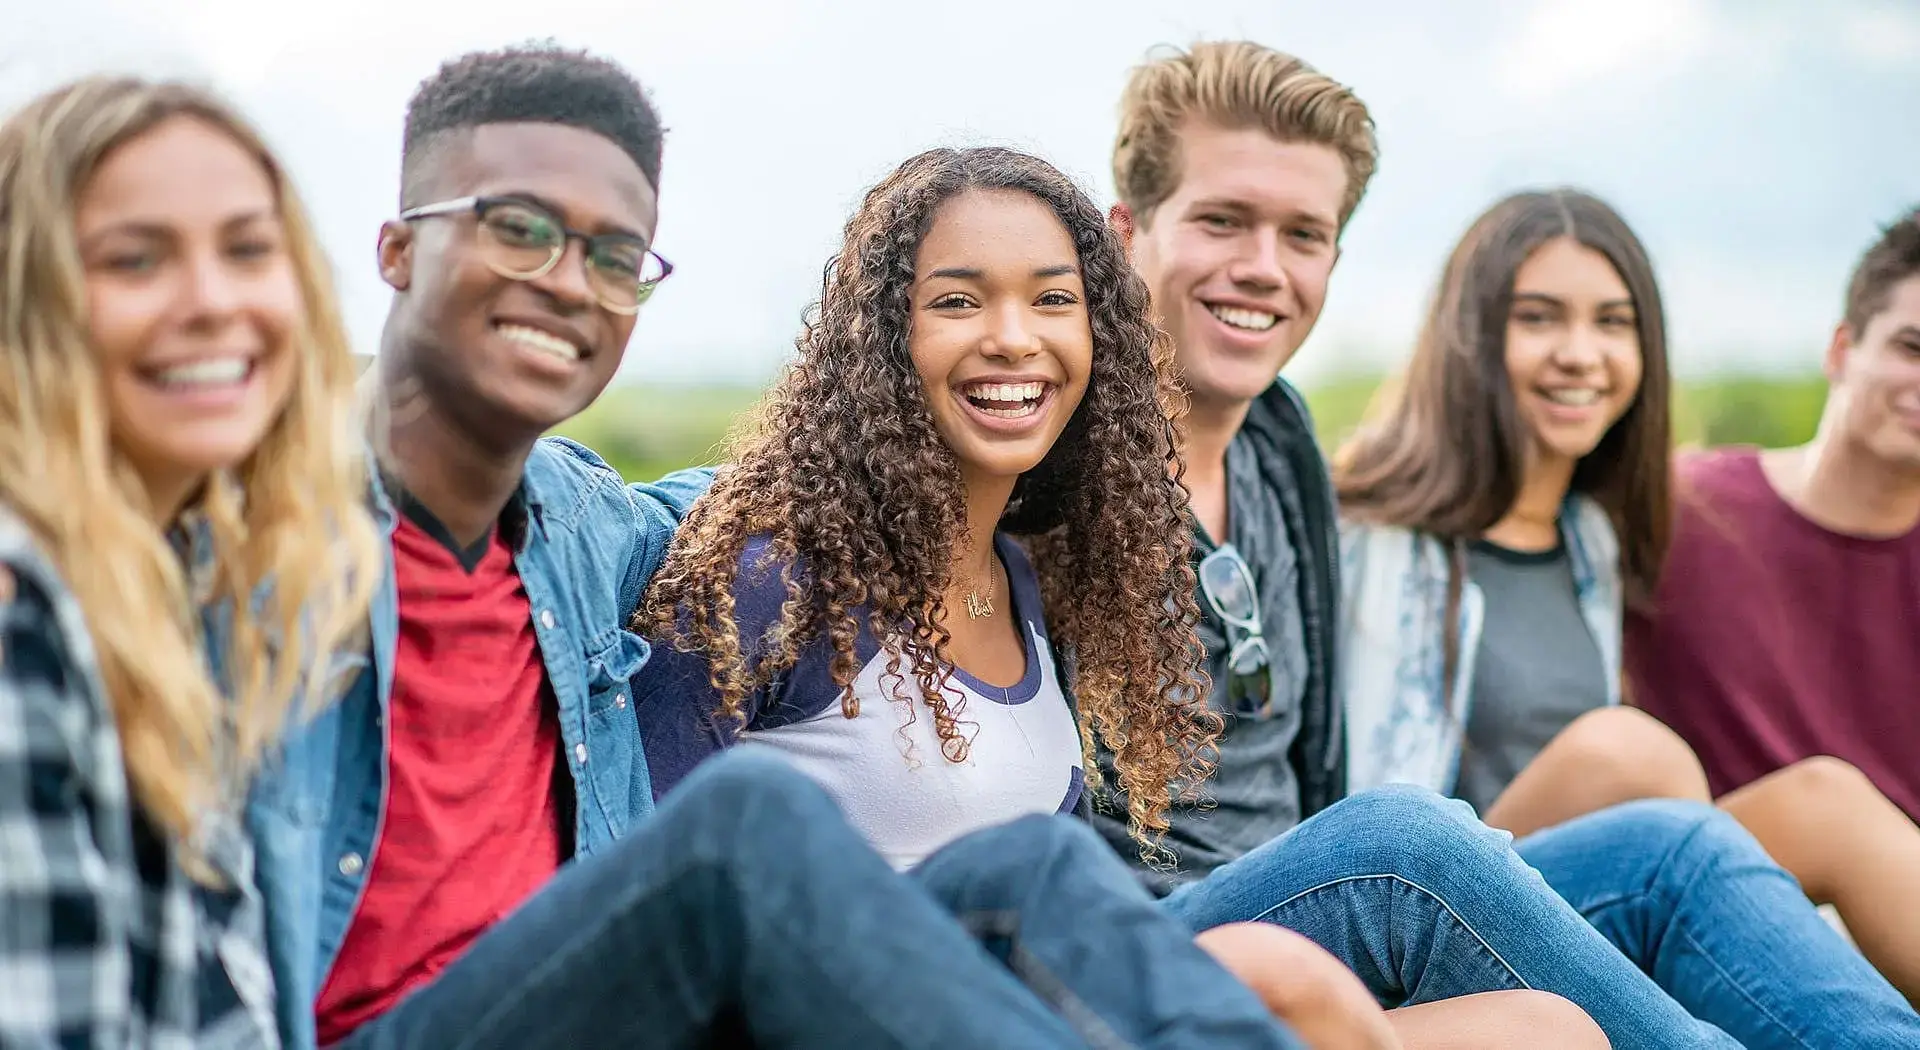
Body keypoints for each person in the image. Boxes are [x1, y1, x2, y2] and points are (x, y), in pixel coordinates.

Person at [248, 42, 1318, 1050]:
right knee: (748, 823)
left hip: (593, 992)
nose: (569, 279)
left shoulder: (578, 537)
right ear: (395, 249)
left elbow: (762, 510)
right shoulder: (271, 521)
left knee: (1041, 862)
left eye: (614, 255)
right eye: (518, 229)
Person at [635, 144, 1605, 1049]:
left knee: (1547, 1031)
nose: (1015, 339)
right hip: (868, 1020)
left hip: (1047, 1009)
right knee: (1305, 955)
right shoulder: (771, 576)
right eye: (960, 302)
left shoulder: (1019, 576)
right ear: (882, 337)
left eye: (1053, 300)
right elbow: (649, 902)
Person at [1099, 40, 1920, 1048]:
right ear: (1125, 233)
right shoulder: (1064, 457)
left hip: (1319, 903)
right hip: (1160, 934)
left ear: (1334, 261)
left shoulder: (1280, 447)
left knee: (1674, 849)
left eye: (1302, 233)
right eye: (1223, 220)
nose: (1263, 267)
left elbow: (1313, 778)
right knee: (1406, 835)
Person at [1333, 187, 1920, 1006]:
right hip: (1429, 910)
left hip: (1583, 902)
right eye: (1539, 318)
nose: (1581, 353)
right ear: (1471, 336)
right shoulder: (1364, 534)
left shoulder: (1598, 542)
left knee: (1824, 802)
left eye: (1613, 323)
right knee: (1631, 757)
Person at [0, 76, 383, 1045]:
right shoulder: (19, 612)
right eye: (135, 261)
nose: (212, 303)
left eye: (249, 250)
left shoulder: (164, 571)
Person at [1624, 206, 1920, 1004]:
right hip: (1702, 911)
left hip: (1891, 941)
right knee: (1829, 803)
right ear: (1841, 349)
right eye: (1911, 348)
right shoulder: (1680, 505)